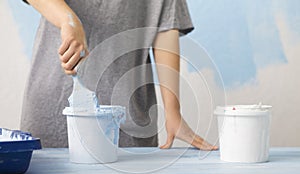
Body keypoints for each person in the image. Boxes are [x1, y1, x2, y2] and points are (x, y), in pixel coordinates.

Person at [22, 0, 218, 150]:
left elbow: (165, 25)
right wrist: (68, 20)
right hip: (55, 110)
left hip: (129, 118)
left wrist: (173, 111)